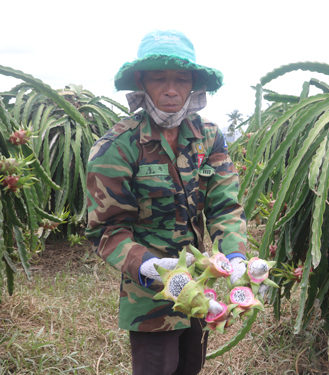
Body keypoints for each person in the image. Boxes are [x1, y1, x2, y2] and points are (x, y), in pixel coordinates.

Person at [85, 29, 247, 375]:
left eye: (181, 79)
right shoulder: (118, 146)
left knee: (191, 365)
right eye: (159, 78)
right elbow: (107, 229)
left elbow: (224, 204)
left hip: (200, 285)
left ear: (194, 85)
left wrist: (235, 257)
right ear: (141, 82)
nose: (171, 90)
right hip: (148, 294)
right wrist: (152, 268)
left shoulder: (208, 136)